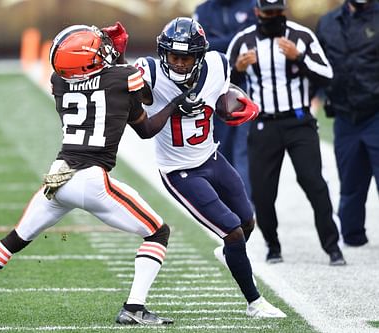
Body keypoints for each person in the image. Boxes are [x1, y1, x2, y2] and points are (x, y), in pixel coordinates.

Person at [0, 22, 200, 325]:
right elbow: (145, 108)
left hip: (59, 176)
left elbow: (112, 94)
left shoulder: (58, 81)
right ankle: (134, 307)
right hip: (92, 178)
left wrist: (107, 57)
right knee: (158, 231)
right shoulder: (124, 77)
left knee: (15, 239)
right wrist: (175, 103)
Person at [134, 17, 286, 318]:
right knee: (231, 230)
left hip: (212, 158)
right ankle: (255, 303)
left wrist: (229, 102)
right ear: (163, 54)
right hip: (179, 171)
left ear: (199, 56)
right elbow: (126, 93)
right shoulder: (149, 72)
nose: (178, 63)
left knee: (246, 222)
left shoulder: (217, 63)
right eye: (173, 56)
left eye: (185, 57)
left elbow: (222, 92)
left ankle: (229, 255)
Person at [226, 0, 346, 265]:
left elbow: (327, 75)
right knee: (263, 191)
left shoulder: (302, 36)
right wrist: (237, 70)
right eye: (268, 12)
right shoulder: (243, 40)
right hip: (263, 124)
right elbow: (221, 85)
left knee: (314, 183)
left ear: (284, 11)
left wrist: (299, 58)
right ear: (257, 12)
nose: (273, 17)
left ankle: (332, 246)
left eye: (277, 12)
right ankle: (272, 244)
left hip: (299, 122)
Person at [316, 0, 379, 247]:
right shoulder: (328, 22)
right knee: (350, 181)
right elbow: (317, 65)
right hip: (344, 115)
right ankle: (353, 236)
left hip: (376, 112)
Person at [193, 0, 257, 198]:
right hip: (214, 84)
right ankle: (225, 196)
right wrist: (234, 40)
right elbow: (200, 46)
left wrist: (216, 42)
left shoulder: (250, 5)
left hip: (248, 83)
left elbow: (252, 39)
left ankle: (245, 200)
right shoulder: (203, 10)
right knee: (218, 144)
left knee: (242, 147)